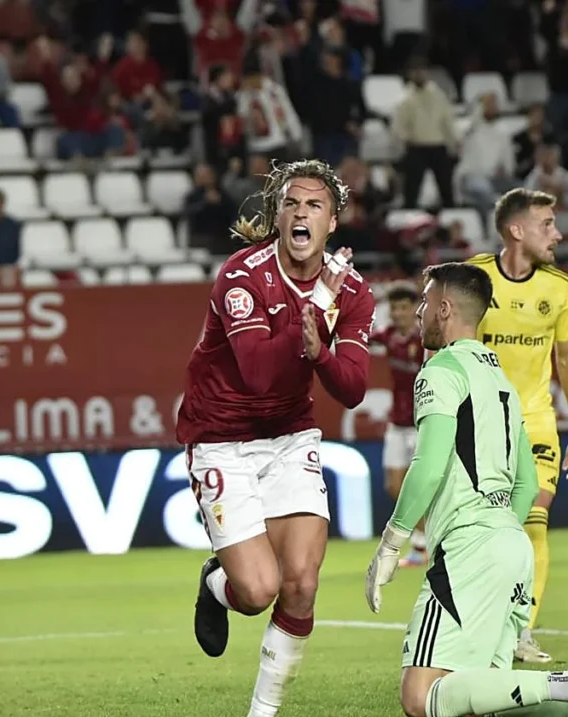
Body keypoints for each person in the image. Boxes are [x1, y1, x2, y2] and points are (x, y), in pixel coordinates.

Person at [365, 262, 568, 717]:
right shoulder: (502, 381)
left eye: (424, 301)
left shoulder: (440, 372)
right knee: (488, 700)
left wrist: (391, 542)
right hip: (512, 548)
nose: (418, 312)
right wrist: (500, 535)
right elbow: (528, 481)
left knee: (421, 697)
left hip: (468, 549)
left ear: (445, 308)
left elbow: (429, 464)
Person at [177, 159, 376, 717]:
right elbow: (259, 373)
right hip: (221, 437)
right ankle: (217, 585)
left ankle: (262, 712)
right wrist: (314, 312)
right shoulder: (242, 275)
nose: (300, 213)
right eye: (291, 203)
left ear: (332, 222)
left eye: (314, 205)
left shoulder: (353, 291)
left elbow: (353, 388)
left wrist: (321, 354)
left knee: (302, 585)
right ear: (278, 213)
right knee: (257, 592)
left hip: (290, 435)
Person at [466, 188, 568, 663]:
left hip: (536, 420)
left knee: (535, 521)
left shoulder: (558, 288)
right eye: (547, 225)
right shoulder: (474, 279)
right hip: (481, 421)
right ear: (516, 230)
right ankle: (476, 623)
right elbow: (442, 348)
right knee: (488, 530)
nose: (557, 234)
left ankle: (520, 631)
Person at [371, 282, 427, 566]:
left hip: (422, 423)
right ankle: (424, 541)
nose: (398, 313)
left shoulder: (426, 340)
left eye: (404, 308)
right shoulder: (388, 336)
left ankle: (422, 546)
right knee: (394, 487)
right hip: (397, 423)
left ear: (414, 309)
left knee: (422, 488)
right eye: (394, 308)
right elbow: (360, 338)